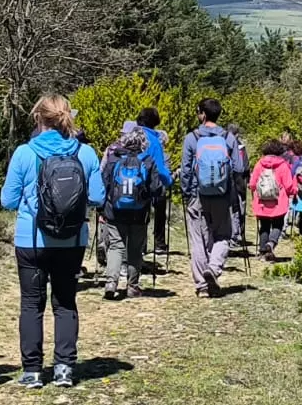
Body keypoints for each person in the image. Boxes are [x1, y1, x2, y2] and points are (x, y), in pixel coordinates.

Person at [0, 95, 106, 388]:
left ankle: (32, 371)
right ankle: (64, 369)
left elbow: (7, 200)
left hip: (31, 239)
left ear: (38, 118)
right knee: (65, 303)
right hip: (71, 240)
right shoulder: (85, 153)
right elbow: (98, 197)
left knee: (31, 304)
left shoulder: (24, 153)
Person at [180, 99, 247, 297]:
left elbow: (185, 169)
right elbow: (238, 168)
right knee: (223, 235)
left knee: (198, 239)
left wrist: (187, 192)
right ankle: (214, 267)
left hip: (197, 194)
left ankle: (201, 285)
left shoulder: (192, 137)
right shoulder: (228, 137)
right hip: (222, 194)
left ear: (202, 114)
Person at [101, 123, 172, 298]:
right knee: (135, 248)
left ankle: (111, 282)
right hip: (139, 212)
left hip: (115, 211)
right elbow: (156, 189)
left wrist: (102, 207)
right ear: (143, 143)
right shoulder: (147, 161)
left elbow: (105, 184)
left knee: (116, 246)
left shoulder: (114, 159)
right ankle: (132, 286)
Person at [248, 140, 295, 261]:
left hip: (262, 201)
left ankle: (263, 251)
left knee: (264, 226)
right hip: (278, 201)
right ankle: (271, 243)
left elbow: (252, 183)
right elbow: (289, 185)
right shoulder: (283, 165)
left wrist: (253, 191)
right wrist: (293, 192)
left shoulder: (259, 164)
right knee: (278, 225)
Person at [137, 108, 170, 258]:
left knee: (139, 215)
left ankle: (140, 245)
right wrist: (168, 180)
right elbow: (160, 166)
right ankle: (159, 243)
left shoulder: (132, 136)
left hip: (133, 182)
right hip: (152, 183)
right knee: (159, 210)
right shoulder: (154, 140)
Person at [226, 123, 249, 248]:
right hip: (238, 183)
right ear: (237, 134)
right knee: (237, 209)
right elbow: (244, 168)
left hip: (222, 183)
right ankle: (237, 234)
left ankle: (229, 236)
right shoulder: (240, 147)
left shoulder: (220, 143)